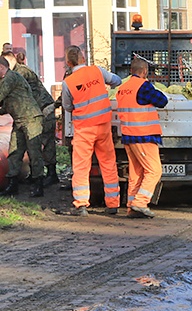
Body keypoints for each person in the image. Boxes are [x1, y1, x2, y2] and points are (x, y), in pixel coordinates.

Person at [62, 45, 122, 216]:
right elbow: (116, 81)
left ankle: (81, 204)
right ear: (82, 58)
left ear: (68, 63)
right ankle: (112, 204)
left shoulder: (68, 82)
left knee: (81, 167)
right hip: (103, 126)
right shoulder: (97, 71)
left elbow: (67, 106)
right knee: (108, 164)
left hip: (84, 129)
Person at [116, 58, 168, 218]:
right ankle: (140, 202)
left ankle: (132, 206)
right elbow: (162, 101)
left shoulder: (122, 88)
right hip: (143, 136)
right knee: (154, 171)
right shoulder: (144, 86)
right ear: (144, 72)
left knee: (136, 173)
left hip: (128, 136)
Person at [2, 50, 57, 186]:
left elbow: (5, 92)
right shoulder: (13, 74)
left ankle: (49, 174)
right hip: (28, 113)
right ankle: (35, 176)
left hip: (42, 109)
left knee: (44, 144)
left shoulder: (18, 73)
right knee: (24, 147)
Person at [0, 58, 45, 197]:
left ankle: (38, 185)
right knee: (14, 151)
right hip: (19, 120)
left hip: (31, 119)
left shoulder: (10, 78)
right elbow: (8, 105)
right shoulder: (8, 80)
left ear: (1, 67)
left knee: (34, 152)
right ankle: (12, 185)